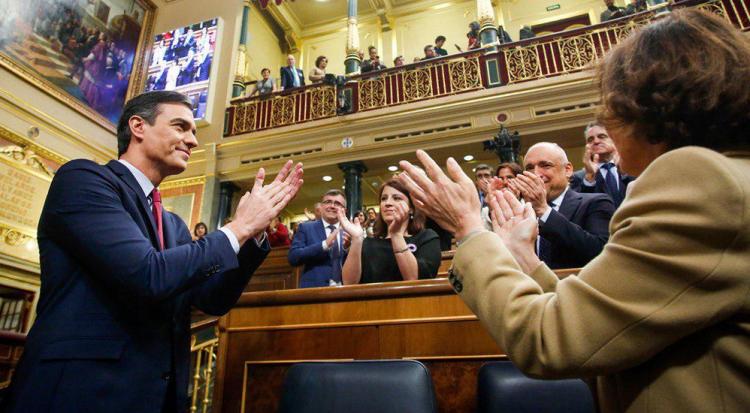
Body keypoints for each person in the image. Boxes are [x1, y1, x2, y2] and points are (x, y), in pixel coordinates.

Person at [396, 9, 750, 413]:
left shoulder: (700, 179)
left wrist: (469, 228)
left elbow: (550, 341)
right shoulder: (728, 176)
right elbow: (603, 325)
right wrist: (528, 261)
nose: (605, 124)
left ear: (644, 106)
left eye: (608, 107)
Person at [2, 91, 303, 413]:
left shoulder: (172, 224)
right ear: (138, 126)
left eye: (193, 132)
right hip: (81, 390)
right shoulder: (84, 180)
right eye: (180, 127)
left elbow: (210, 299)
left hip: (154, 393)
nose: (192, 141)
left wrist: (252, 235)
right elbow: (146, 274)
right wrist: (238, 227)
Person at [509, 143, 614, 269]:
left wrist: (543, 211)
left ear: (568, 170)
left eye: (545, 165)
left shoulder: (596, 202)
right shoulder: (521, 213)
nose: (536, 174)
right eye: (530, 168)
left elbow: (600, 252)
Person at [339, 179, 440, 284]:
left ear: (411, 208)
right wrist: (357, 240)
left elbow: (414, 280)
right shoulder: (368, 243)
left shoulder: (427, 237)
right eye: (384, 199)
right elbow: (349, 283)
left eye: (396, 198)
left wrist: (396, 234)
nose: (388, 203)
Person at [288, 190, 348, 287]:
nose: (332, 206)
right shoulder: (306, 227)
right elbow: (293, 258)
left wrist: (348, 249)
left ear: (344, 210)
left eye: (337, 203)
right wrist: (324, 245)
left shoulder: (351, 232)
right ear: (321, 207)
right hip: (314, 292)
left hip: (346, 291)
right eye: (328, 202)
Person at [570, 122, 635, 208]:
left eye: (602, 136)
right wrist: (589, 178)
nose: (596, 141)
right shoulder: (578, 177)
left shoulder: (633, 167)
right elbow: (578, 208)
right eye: (590, 139)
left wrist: (624, 172)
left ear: (614, 139)